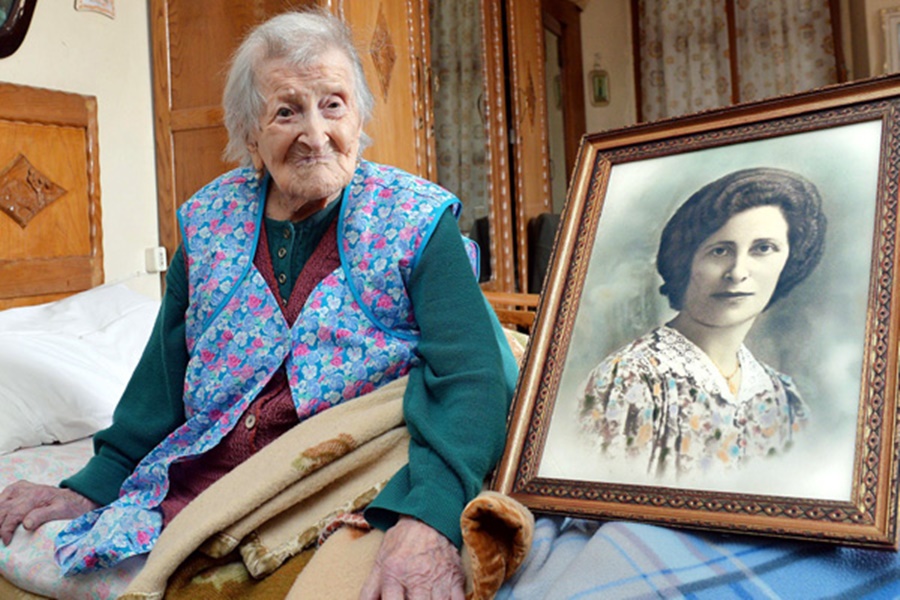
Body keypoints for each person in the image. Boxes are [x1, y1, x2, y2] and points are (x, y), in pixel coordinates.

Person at [0, 9, 517, 597]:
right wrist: (96, 482)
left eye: (334, 104)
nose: (316, 135)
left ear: (359, 115)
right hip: (222, 474)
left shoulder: (417, 220)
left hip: (350, 472)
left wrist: (430, 516)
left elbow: (472, 375)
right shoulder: (207, 224)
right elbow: (162, 381)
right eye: (286, 111)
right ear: (250, 132)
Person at [576, 167, 826, 478]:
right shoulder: (631, 378)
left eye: (763, 249)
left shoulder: (783, 398)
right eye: (720, 251)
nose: (737, 272)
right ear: (686, 260)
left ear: (789, 260)